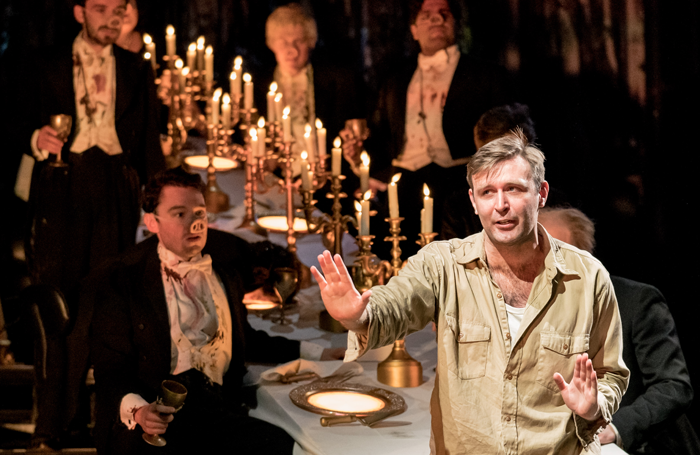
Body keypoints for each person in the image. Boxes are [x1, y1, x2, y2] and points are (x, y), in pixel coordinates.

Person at [312, 130, 629, 454]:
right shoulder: (442, 264)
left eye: (514, 190)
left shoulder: (587, 277)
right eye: (488, 192)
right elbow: (393, 306)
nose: (501, 205)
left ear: (541, 193)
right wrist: (358, 315)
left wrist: (595, 406)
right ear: (473, 201)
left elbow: (611, 374)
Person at [90, 167, 340, 454]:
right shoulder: (124, 283)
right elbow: (110, 369)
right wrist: (138, 410)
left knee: (289, 444)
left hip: (217, 409)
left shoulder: (224, 275)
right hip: (158, 417)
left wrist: (317, 352)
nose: (194, 224)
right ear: (152, 222)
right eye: (179, 214)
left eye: (199, 213)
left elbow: (245, 339)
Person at [20, 0, 164, 447]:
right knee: (57, 305)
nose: (114, 16)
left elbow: (149, 141)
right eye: (102, 7)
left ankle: (90, 420)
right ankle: (51, 424)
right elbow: (11, 117)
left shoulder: (136, 67)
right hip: (61, 187)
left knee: (98, 306)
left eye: (120, 6)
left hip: (116, 188)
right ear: (80, 11)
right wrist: (33, 136)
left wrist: (155, 203)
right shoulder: (45, 62)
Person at [343, 0, 514, 255]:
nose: (436, 19)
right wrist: (359, 156)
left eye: (444, 14)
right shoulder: (395, 79)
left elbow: (507, 139)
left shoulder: (487, 76)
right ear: (413, 30)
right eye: (427, 15)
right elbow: (380, 139)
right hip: (401, 181)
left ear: (456, 24)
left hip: (458, 181)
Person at [539, 207, 699, 455]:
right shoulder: (526, 312)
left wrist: (615, 428)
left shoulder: (636, 301)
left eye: (555, 248)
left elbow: (673, 386)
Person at [257, 3, 363, 177]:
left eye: (298, 42)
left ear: (311, 42)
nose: (291, 50)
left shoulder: (337, 81)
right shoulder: (260, 86)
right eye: (283, 43)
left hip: (325, 179)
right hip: (277, 178)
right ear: (272, 44)